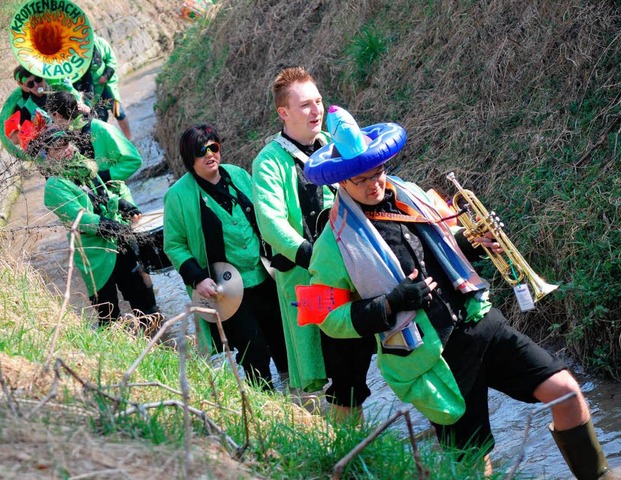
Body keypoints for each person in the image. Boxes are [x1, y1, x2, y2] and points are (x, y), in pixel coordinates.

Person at [302, 105, 614, 479]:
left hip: (482, 323)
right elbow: (321, 316)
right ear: (341, 181)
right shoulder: (330, 243)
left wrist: (474, 241)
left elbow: (446, 245)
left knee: (567, 391)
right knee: (472, 465)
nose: (375, 184)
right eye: (361, 179)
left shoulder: (411, 194)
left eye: (379, 172)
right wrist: (391, 303)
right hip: (437, 361)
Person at [252, 67, 375, 420]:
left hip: (352, 270)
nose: (316, 110)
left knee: (359, 355)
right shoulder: (268, 162)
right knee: (323, 371)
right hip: (306, 278)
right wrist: (313, 256)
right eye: (305, 105)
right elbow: (272, 224)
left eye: (318, 101)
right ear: (283, 113)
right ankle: (325, 442)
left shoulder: (331, 147)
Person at [163, 124, 288, 389]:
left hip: (266, 275)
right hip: (226, 289)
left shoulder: (238, 175)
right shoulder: (178, 196)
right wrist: (198, 279)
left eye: (214, 147)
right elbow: (173, 245)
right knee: (253, 352)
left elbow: (267, 215)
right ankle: (265, 407)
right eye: (201, 151)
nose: (210, 155)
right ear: (189, 158)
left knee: (284, 344)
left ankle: (301, 407)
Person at [27, 128, 162, 333]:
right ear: (48, 156)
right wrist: (110, 225)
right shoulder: (54, 187)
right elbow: (81, 219)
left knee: (145, 304)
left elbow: (105, 198)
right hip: (95, 256)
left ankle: (157, 342)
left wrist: (123, 204)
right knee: (109, 315)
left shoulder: (85, 169)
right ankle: (115, 355)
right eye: (59, 148)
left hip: (120, 243)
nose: (68, 150)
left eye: (68, 144)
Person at [46, 91, 142, 182]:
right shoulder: (68, 136)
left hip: (115, 194)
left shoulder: (101, 129)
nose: (52, 123)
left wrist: (104, 177)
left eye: (51, 118)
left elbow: (133, 160)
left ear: (57, 115)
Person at [1, 66, 86, 158]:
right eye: (30, 84)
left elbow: (80, 112)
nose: (36, 85)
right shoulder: (27, 108)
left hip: (78, 138)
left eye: (38, 79)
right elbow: (15, 139)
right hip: (57, 153)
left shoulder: (60, 90)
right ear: (26, 87)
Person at [73, 36, 132, 139]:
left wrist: (106, 76)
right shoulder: (72, 51)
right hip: (91, 93)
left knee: (119, 113)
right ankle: (109, 144)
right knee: (101, 119)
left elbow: (112, 59)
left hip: (107, 87)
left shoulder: (99, 42)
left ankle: (130, 139)